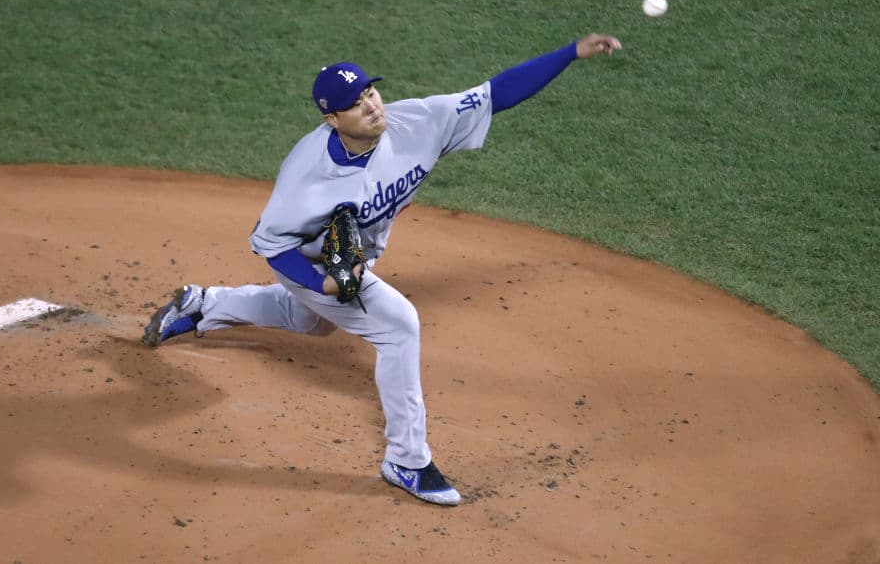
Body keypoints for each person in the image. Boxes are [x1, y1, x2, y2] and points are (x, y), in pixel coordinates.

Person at [141, 33, 622, 506]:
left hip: (352, 258)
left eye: (370, 91)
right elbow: (272, 245)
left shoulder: (418, 122)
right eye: (356, 102)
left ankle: (202, 305)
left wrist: (571, 53)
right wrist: (320, 282)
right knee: (398, 325)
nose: (372, 105)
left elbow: (498, 93)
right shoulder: (305, 178)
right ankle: (407, 460)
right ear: (333, 119)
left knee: (308, 320)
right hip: (306, 261)